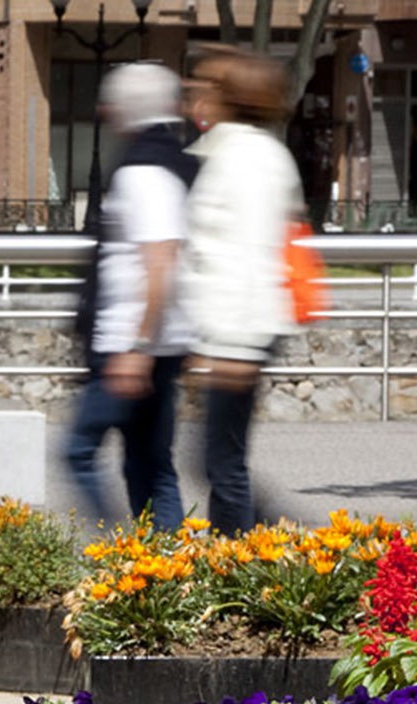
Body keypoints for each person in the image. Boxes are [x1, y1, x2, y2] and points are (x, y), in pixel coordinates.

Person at [64, 62, 195, 532]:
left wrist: (136, 350)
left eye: (111, 104)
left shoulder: (144, 171)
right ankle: (163, 575)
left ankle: (121, 557)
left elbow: (160, 264)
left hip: (129, 344)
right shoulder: (169, 162)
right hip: (153, 343)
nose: (105, 112)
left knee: (78, 452)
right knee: (148, 464)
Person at [180, 47, 304, 535]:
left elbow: (251, 258)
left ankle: (247, 561)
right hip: (227, 334)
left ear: (234, 96)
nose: (195, 91)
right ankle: (255, 550)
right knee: (216, 459)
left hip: (237, 335)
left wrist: (234, 346)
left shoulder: (247, 159)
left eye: (207, 84)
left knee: (221, 462)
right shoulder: (236, 152)